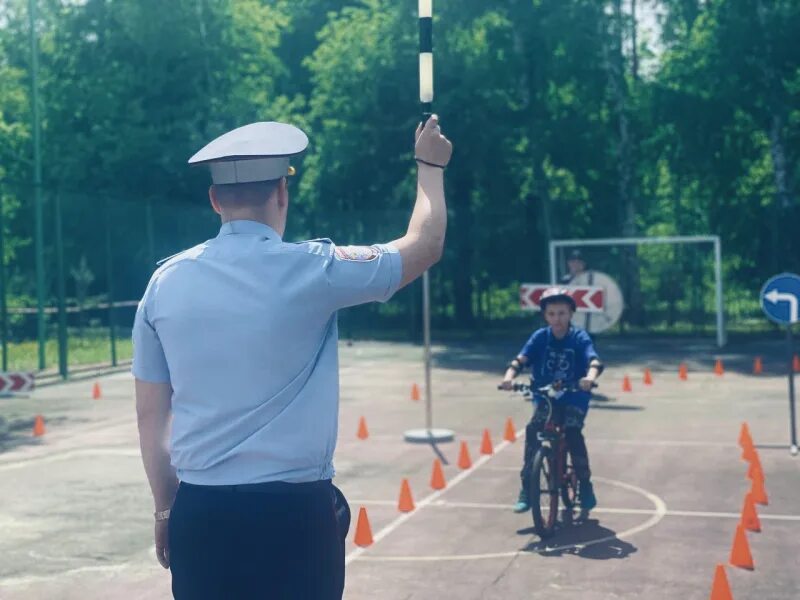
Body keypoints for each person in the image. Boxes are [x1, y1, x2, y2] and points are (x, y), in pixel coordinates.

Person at [134, 116, 452, 599]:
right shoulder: (315, 268)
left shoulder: (164, 284)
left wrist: (165, 510)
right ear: (283, 193)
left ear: (215, 200)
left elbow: (150, 415)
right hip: (294, 515)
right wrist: (430, 166)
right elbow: (424, 245)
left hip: (201, 515)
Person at [499, 287, 604, 514]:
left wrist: (589, 378)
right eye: (552, 314)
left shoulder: (579, 337)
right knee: (533, 430)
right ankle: (527, 487)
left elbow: (594, 360)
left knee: (573, 433)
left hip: (575, 395)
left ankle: (585, 485)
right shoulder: (540, 337)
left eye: (562, 313)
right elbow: (520, 360)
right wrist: (509, 378)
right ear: (545, 316)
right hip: (545, 396)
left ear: (571, 314)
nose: (557, 319)